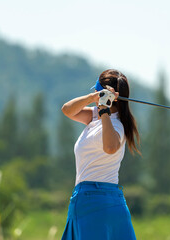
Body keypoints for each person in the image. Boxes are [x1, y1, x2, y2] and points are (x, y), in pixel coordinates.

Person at [60, 69, 140, 240]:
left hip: (90, 200)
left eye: (95, 92)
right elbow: (67, 110)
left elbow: (110, 147)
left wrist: (104, 110)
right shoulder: (94, 116)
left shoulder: (117, 124)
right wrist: (92, 99)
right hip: (112, 201)